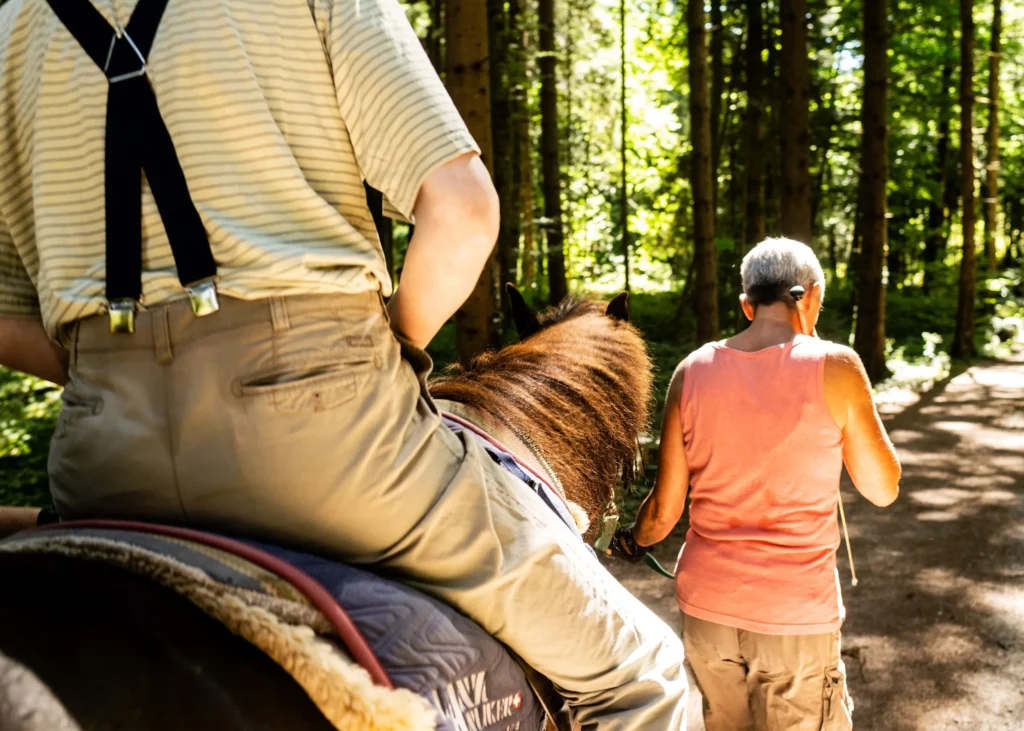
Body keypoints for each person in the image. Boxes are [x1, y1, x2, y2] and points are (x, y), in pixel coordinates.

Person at [0, 0, 688, 727]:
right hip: (330, 448)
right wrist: (390, 343)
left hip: (107, 461)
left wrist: (116, 371)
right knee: (645, 669)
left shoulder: (14, 20)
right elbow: (462, 210)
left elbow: (10, 318)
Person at [610, 238, 901, 730]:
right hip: (795, 618)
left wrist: (633, 541)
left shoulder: (692, 371)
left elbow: (663, 513)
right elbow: (882, 488)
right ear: (811, 296)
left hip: (708, 615)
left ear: (747, 304)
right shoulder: (837, 366)